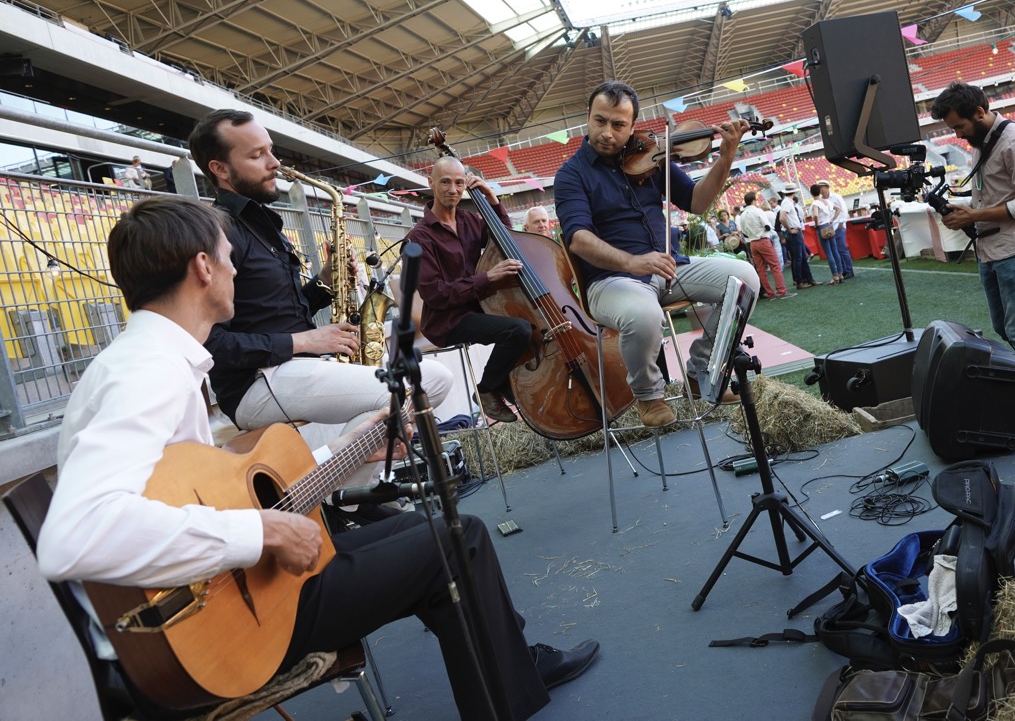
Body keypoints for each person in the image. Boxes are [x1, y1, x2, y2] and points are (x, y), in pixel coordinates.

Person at [36, 195, 599, 721]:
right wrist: (262, 532)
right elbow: (76, 537)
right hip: (207, 627)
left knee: (425, 529)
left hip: (225, 594)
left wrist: (348, 450)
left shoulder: (153, 362)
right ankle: (509, 693)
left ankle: (511, 670)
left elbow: (213, 494)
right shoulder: (145, 374)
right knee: (459, 538)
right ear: (204, 268)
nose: (236, 271)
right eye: (230, 259)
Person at [188, 109, 453, 467]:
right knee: (409, 389)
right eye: (256, 155)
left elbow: (278, 309)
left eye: (270, 149)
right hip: (256, 383)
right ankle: (345, 499)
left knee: (434, 378)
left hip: (295, 368)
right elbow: (208, 343)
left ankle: (346, 498)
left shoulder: (265, 224)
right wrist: (306, 341)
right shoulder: (217, 234)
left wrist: (327, 282)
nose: (274, 163)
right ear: (219, 169)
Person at [554, 81, 760, 427]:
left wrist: (725, 157)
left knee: (746, 280)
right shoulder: (571, 174)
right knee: (643, 314)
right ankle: (648, 396)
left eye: (618, 125)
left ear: (632, 126)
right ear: (588, 118)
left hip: (669, 268)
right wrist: (633, 261)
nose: (607, 133)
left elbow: (697, 202)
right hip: (612, 280)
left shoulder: (651, 154)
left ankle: (701, 370)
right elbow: (578, 239)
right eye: (599, 121)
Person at [405, 156, 532, 423]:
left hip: (479, 308)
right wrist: (487, 278)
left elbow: (506, 239)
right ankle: (487, 389)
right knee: (518, 330)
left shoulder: (471, 220)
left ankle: (503, 383)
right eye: (445, 182)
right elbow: (435, 294)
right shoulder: (418, 237)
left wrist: (492, 198)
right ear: (431, 183)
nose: (453, 189)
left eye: (459, 182)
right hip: (447, 321)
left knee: (530, 324)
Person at [929, 81, 1015, 360]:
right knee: (1002, 327)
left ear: (979, 112)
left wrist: (975, 215)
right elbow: (991, 195)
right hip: (990, 248)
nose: (957, 135)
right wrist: (965, 208)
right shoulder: (980, 140)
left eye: (959, 127)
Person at [737, 191, 790, 300]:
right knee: (775, 265)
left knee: (761, 270)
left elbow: (744, 232)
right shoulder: (757, 211)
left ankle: (770, 294)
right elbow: (767, 226)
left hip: (752, 243)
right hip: (763, 240)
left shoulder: (742, 215)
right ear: (753, 200)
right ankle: (782, 291)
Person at [814, 180, 855, 283]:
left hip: (838, 225)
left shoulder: (836, 197)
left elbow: (843, 210)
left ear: (827, 187)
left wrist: (841, 222)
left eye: (822, 187)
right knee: (836, 250)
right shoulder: (823, 200)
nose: (820, 189)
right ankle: (843, 270)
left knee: (842, 249)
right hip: (831, 227)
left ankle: (849, 270)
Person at [778, 184, 815, 289]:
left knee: (800, 257)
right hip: (793, 232)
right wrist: (790, 229)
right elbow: (782, 218)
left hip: (793, 232)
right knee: (798, 258)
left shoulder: (786, 202)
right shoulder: (787, 203)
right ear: (793, 193)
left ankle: (806, 279)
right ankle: (800, 281)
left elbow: (782, 218)